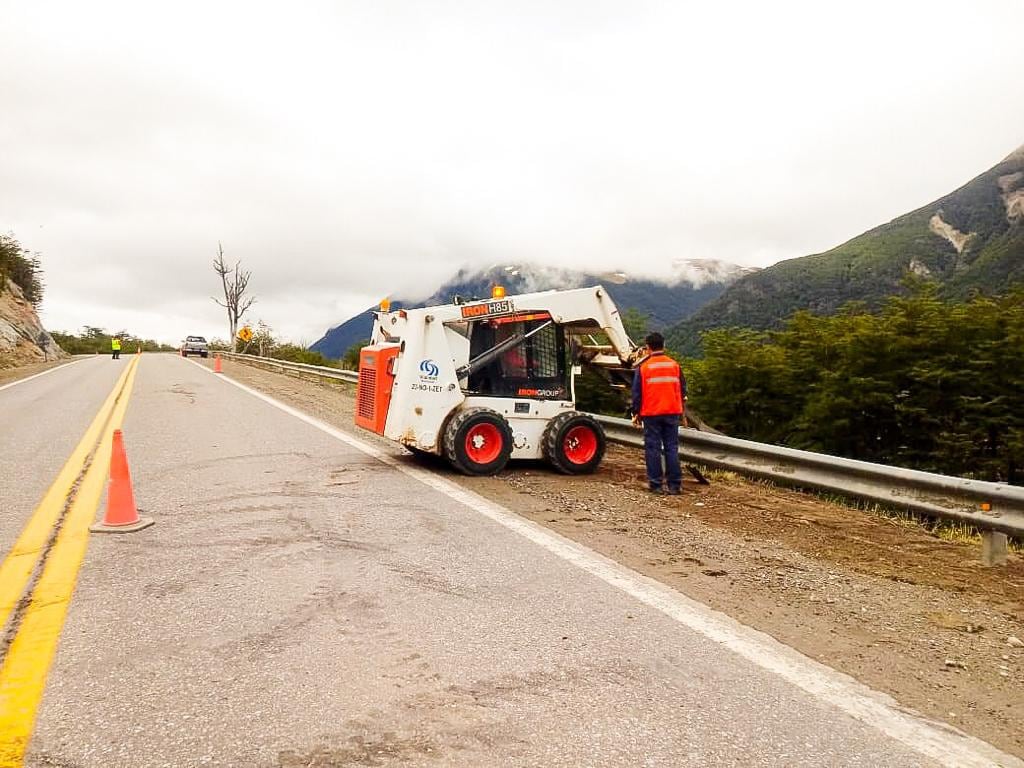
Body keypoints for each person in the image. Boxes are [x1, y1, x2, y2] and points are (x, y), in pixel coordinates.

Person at [631, 332, 686, 494]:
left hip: (651, 413)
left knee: (653, 448)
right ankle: (675, 485)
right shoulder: (674, 365)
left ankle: (656, 485)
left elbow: (637, 394)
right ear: (664, 345)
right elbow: (683, 390)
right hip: (672, 412)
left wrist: (636, 413)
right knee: (671, 448)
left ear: (647, 348)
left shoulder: (644, 368)